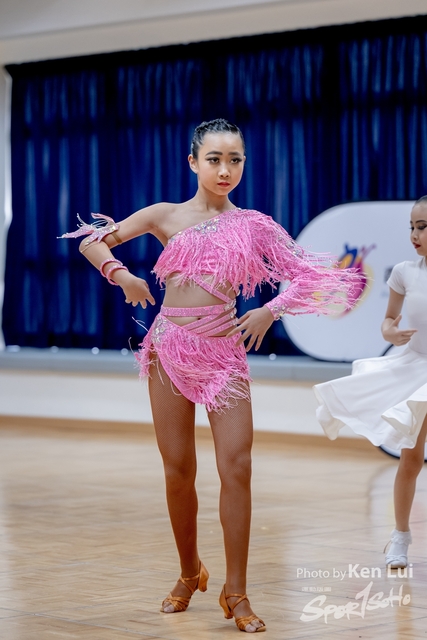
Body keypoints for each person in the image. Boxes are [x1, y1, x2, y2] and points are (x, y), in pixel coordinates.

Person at [60, 118, 360, 632]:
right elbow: (92, 241)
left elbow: (314, 275)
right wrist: (123, 275)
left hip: (224, 352)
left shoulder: (255, 225)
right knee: (178, 469)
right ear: (193, 162)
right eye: (215, 159)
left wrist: (271, 310)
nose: (225, 170)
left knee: (237, 466)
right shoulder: (165, 215)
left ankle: (236, 591)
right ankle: (188, 572)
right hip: (169, 350)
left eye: (235, 160)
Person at [314, 196, 427, 570]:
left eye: (422, 227)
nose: (414, 234)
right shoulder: (404, 273)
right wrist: (391, 332)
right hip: (415, 369)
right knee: (411, 457)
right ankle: (400, 536)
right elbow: (389, 321)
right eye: (412, 227)